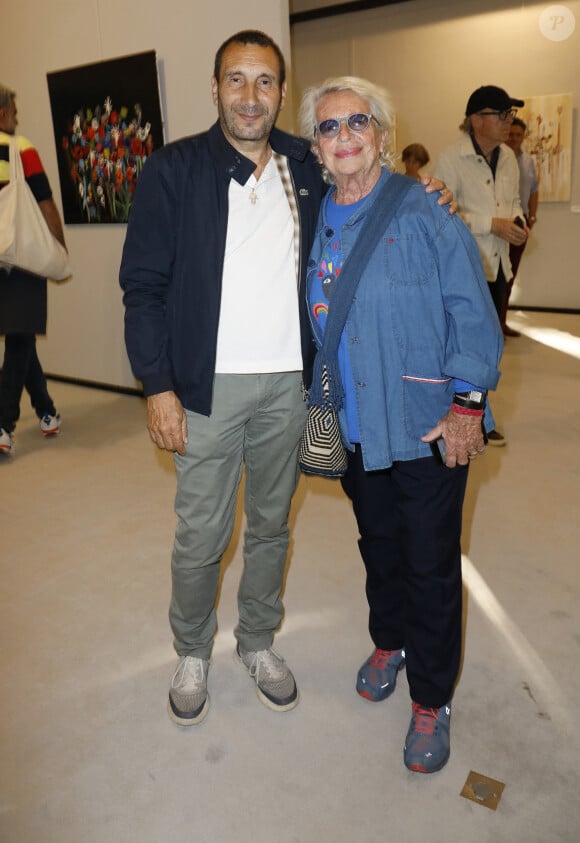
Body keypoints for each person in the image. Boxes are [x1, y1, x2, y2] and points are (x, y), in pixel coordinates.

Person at [120, 30, 454, 728]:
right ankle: (191, 649)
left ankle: (258, 640)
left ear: (279, 91)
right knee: (202, 533)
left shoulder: (304, 166)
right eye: (235, 80)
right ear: (214, 90)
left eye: (265, 81)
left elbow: (366, 176)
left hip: (291, 388)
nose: (250, 95)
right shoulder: (173, 170)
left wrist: (427, 193)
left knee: (271, 525)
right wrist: (157, 385)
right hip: (205, 390)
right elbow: (143, 287)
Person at [298, 76, 503, 774]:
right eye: (329, 127)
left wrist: (467, 404)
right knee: (378, 544)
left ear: (383, 134)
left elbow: (472, 312)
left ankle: (432, 696)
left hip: (425, 424)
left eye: (359, 122)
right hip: (357, 427)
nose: (345, 136)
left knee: (429, 561)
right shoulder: (317, 214)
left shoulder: (425, 211)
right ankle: (391, 638)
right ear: (318, 147)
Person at [434, 85, 527, 445]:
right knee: (464, 347)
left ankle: (481, 417)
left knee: (490, 346)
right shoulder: (449, 159)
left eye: (510, 115)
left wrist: (517, 220)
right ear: (476, 120)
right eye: (501, 114)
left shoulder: (508, 157)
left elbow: (514, 200)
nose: (508, 122)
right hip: (466, 269)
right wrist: (493, 224)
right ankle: (467, 415)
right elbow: (443, 212)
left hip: (499, 263)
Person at [0, 85, 65, 454]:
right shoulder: (21, 148)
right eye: (13, 110)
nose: (17, 117)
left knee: (18, 335)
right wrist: (59, 245)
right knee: (21, 338)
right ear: (1, 114)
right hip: (21, 257)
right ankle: (3, 422)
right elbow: (45, 201)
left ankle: (47, 412)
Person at [503, 117, 539, 336]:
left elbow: (534, 190)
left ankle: (502, 321)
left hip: (520, 219)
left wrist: (531, 218)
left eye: (519, 135)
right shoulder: (499, 159)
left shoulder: (529, 161)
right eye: (511, 134)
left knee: (511, 274)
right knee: (497, 274)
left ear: (523, 137)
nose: (515, 138)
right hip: (500, 220)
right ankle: (494, 324)